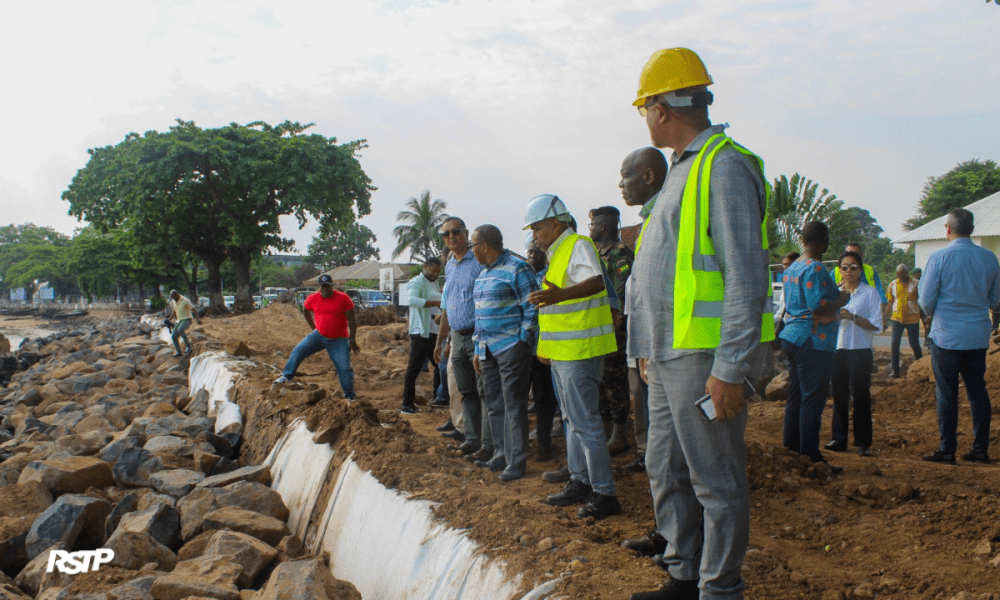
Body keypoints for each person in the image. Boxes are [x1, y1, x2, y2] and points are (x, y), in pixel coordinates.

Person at [626, 48, 775, 600]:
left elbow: (745, 274)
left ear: (663, 109)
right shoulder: (684, 170)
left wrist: (731, 368)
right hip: (666, 355)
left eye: (646, 107)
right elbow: (663, 270)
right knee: (665, 466)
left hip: (703, 358)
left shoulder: (725, 165)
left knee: (716, 481)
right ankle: (683, 573)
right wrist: (645, 346)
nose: (645, 117)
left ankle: (719, 589)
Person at [526, 193, 621, 520]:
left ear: (556, 223)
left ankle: (605, 493)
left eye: (538, 228)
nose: (535, 235)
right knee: (572, 420)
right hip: (563, 351)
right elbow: (556, 307)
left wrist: (558, 295)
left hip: (581, 350)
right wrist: (546, 347)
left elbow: (596, 282)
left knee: (587, 423)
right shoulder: (558, 253)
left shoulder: (578, 244)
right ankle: (580, 481)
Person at [919, 208, 1000, 465]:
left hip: (946, 336)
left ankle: (947, 449)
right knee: (978, 391)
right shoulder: (989, 258)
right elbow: (996, 300)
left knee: (947, 393)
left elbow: (926, 301)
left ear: (948, 229)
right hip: (977, 336)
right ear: (972, 229)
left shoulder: (939, 257)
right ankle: (980, 449)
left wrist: (939, 311)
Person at [468, 225, 539, 481]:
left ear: (484, 246)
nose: (471, 250)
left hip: (511, 347)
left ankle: (517, 461)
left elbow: (531, 307)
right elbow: (479, 315)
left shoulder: (518, 268)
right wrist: (478, 349)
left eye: (472, 245)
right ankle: (501, 454)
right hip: (487, 350)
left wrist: (522, 341)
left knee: (514, 404)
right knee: (495, 404)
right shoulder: (483, 273)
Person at [780, 222, 850, 466]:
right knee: (812, 399)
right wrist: (841, 299)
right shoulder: (816, 268)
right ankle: (811, 456)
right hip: (813, 340)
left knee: (796, 396)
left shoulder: (793, 267)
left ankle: (791, 449)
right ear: (824, 240)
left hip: (792, 337)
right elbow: (818, 305)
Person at [618, 147, 668, 474]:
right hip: (649, 347)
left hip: (665, 348)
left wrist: (650, 347)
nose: (621, 185)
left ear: (648, 176)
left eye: (626, 177)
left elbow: (660, 289)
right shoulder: (650, 220)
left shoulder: (665, 216)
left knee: (670, 435)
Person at [433, 217, 492, 460]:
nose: (450, 237)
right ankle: (472, 439)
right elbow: (449, 307)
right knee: (466, 392)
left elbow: (487, 300)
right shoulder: (449, 266)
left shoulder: (478, 261)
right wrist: (441, 341)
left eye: (455, 232)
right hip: (457, 338)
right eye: (445, 234)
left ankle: (488, 445)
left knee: (484, 392)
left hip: (478, 335)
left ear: (466, 233)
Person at [825, 250, 882, 457]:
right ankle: (839, 439)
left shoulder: (870, 294)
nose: (848, 271)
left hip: (860, 351)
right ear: (839, 271)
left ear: (860, 271)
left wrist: (852, 316)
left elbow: (876, 325)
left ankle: (863, 442)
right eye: (844, 267)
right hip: (837, 350)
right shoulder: (832, 294)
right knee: (839, 396)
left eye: (853, 267)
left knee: (860, 396)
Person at [588, 205, 634, 456]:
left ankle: (620, 433)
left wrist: (614, 322)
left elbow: (621, 290)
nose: (591, 230)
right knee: (600, 379)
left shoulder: (620, 253)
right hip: (597, 327)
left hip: (615, 328)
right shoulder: (597, 254)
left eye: (593, 225)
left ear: (603, 227)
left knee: (615, 380)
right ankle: (604, 429)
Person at [273, 274, 360, 400]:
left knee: (344, 368)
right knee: (298, 350)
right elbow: (305, 310)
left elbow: (352, 321)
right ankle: (286, 376)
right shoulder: (313, 298)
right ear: (319, 287)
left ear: (332, 286)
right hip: (318, 335)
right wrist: (313, 327)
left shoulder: (343, 299)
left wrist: (352, 340)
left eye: (327, 286)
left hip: (339, 339)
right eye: (322, 286)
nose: (325, 289)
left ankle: (350, 396)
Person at [526, 238, 558, 461]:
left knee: (544, 398)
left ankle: (545, 445)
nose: (531, 256)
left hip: (545, 348)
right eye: (528, 252)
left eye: (535, 252)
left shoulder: (550, 277)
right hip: (524, 347)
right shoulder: (524, 277)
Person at [401, 257, 442, 414]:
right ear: (425, 267)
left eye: (438, 272)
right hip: (420, 332)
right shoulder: (416, 281)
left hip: (433, 331)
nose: (435, 274)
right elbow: (411, 300)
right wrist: (435, 303)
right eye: (433, 271)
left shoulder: (434, 282)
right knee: (414, 368)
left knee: (439, 365)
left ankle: (438, 398)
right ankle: (407, 404)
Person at [884, 264, 922, 378]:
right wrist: (885, 319)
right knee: (894, 343)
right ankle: (895, 371)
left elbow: (922, 300)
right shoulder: (892, 284)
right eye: (898, 274)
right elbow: (890, 303)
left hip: (912, 318)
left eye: (902, 274)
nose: (900, 277)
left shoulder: (916, 284)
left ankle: (922, 367)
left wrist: (925, 316)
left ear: (907, 272)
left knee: (914, 343)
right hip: (897, 318)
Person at [168, 290, 201, 357]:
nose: (173, 299)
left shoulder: (185, 300)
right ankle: (179, 351)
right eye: (172, 298)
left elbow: (194, 310)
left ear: (177, 295)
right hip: (179, 320)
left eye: (174, 297)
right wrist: (169, 318)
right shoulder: (174, 301)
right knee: (173, 336)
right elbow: (174, 311)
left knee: (180, 329)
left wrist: (198, 319)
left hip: (187, 319)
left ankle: (188, 346)